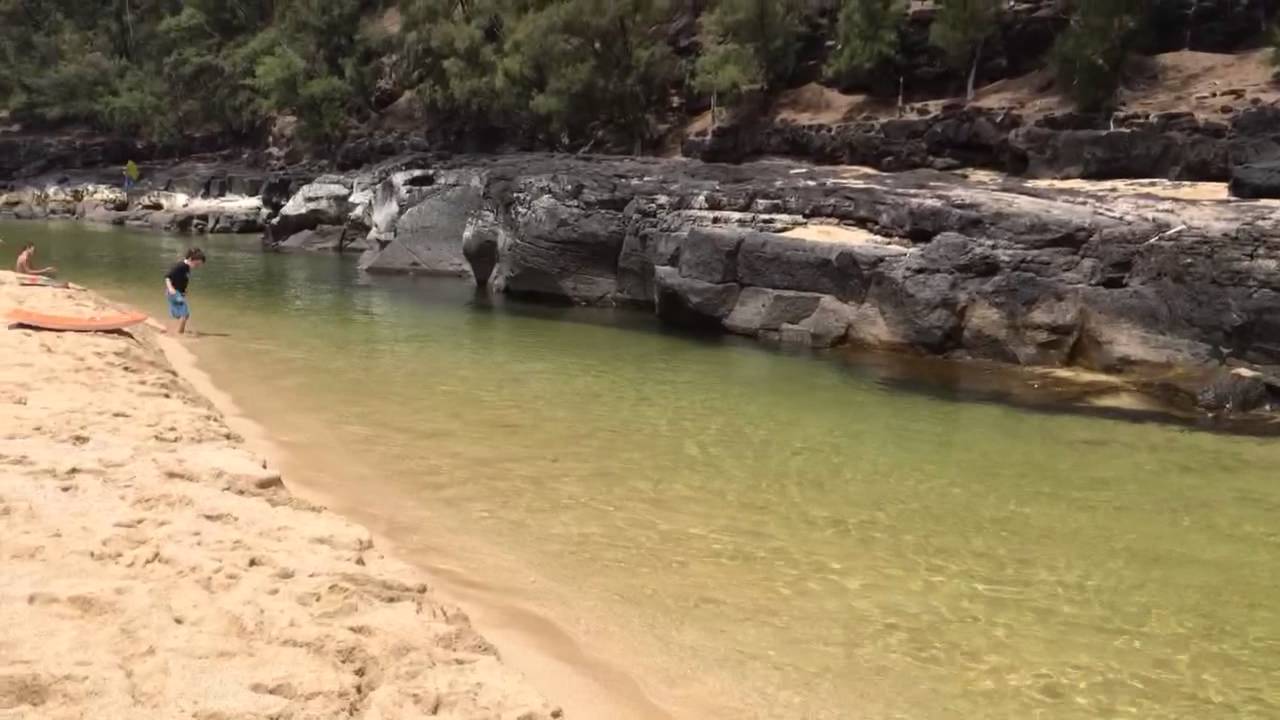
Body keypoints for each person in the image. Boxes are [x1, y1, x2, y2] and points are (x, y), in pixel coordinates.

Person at [165, 248, 206, 335]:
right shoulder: (181, 266)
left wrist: (184, 290)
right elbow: (168, 277)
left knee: (179, 315)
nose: (197, 267)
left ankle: (173, 329)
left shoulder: (187, 267)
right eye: (197, 264)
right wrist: (170, 288)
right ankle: (180, 334)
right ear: (191, 259)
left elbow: (183, 279)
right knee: (185, 315)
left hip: (178, 293)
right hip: (174, 293)